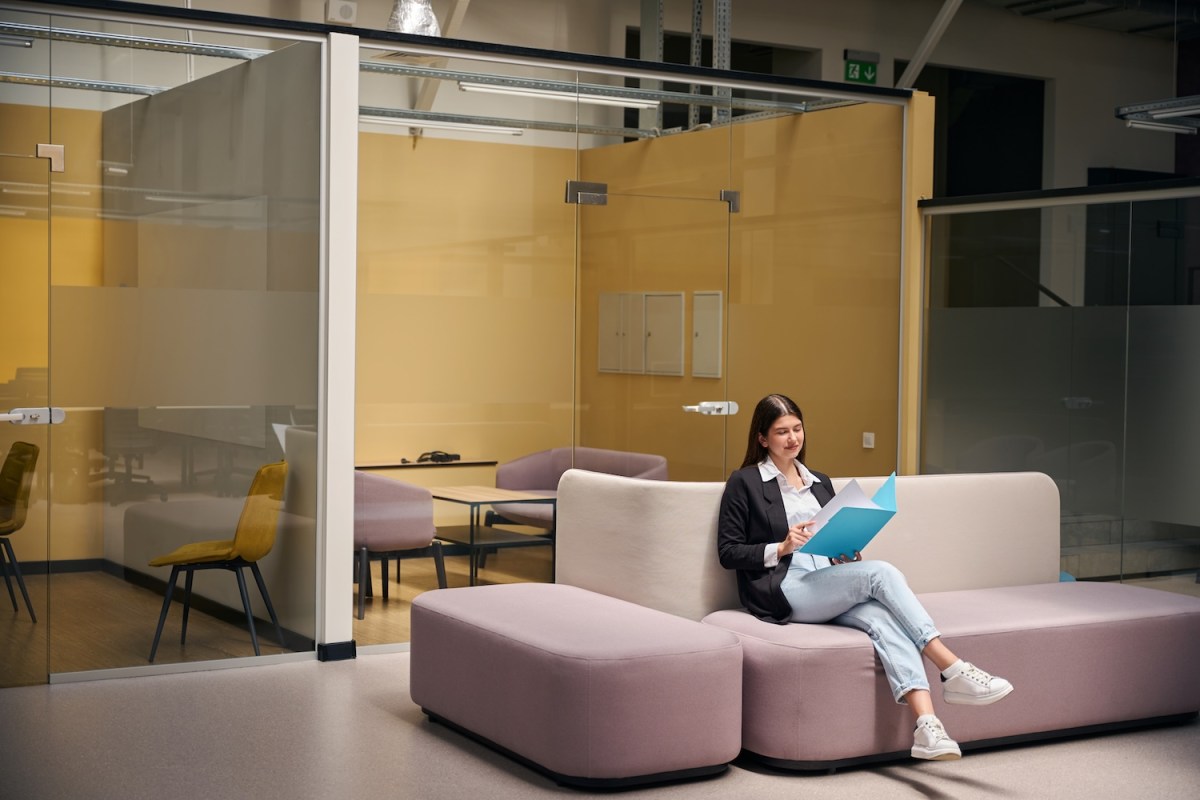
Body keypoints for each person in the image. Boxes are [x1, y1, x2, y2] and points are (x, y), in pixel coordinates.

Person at [717, 393, 1013, 761]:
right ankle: (953, 668)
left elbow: (829, 536)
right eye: (781, 432)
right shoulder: (744, 482)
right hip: (787, 587)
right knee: (881, 573)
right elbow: (728, 552)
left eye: (797, 428)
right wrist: (781, 546)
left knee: (884, 620)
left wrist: (847, 549)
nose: (793, 438)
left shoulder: (819, 481)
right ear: (762, 439)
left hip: (827, 581)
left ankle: (928, 728)